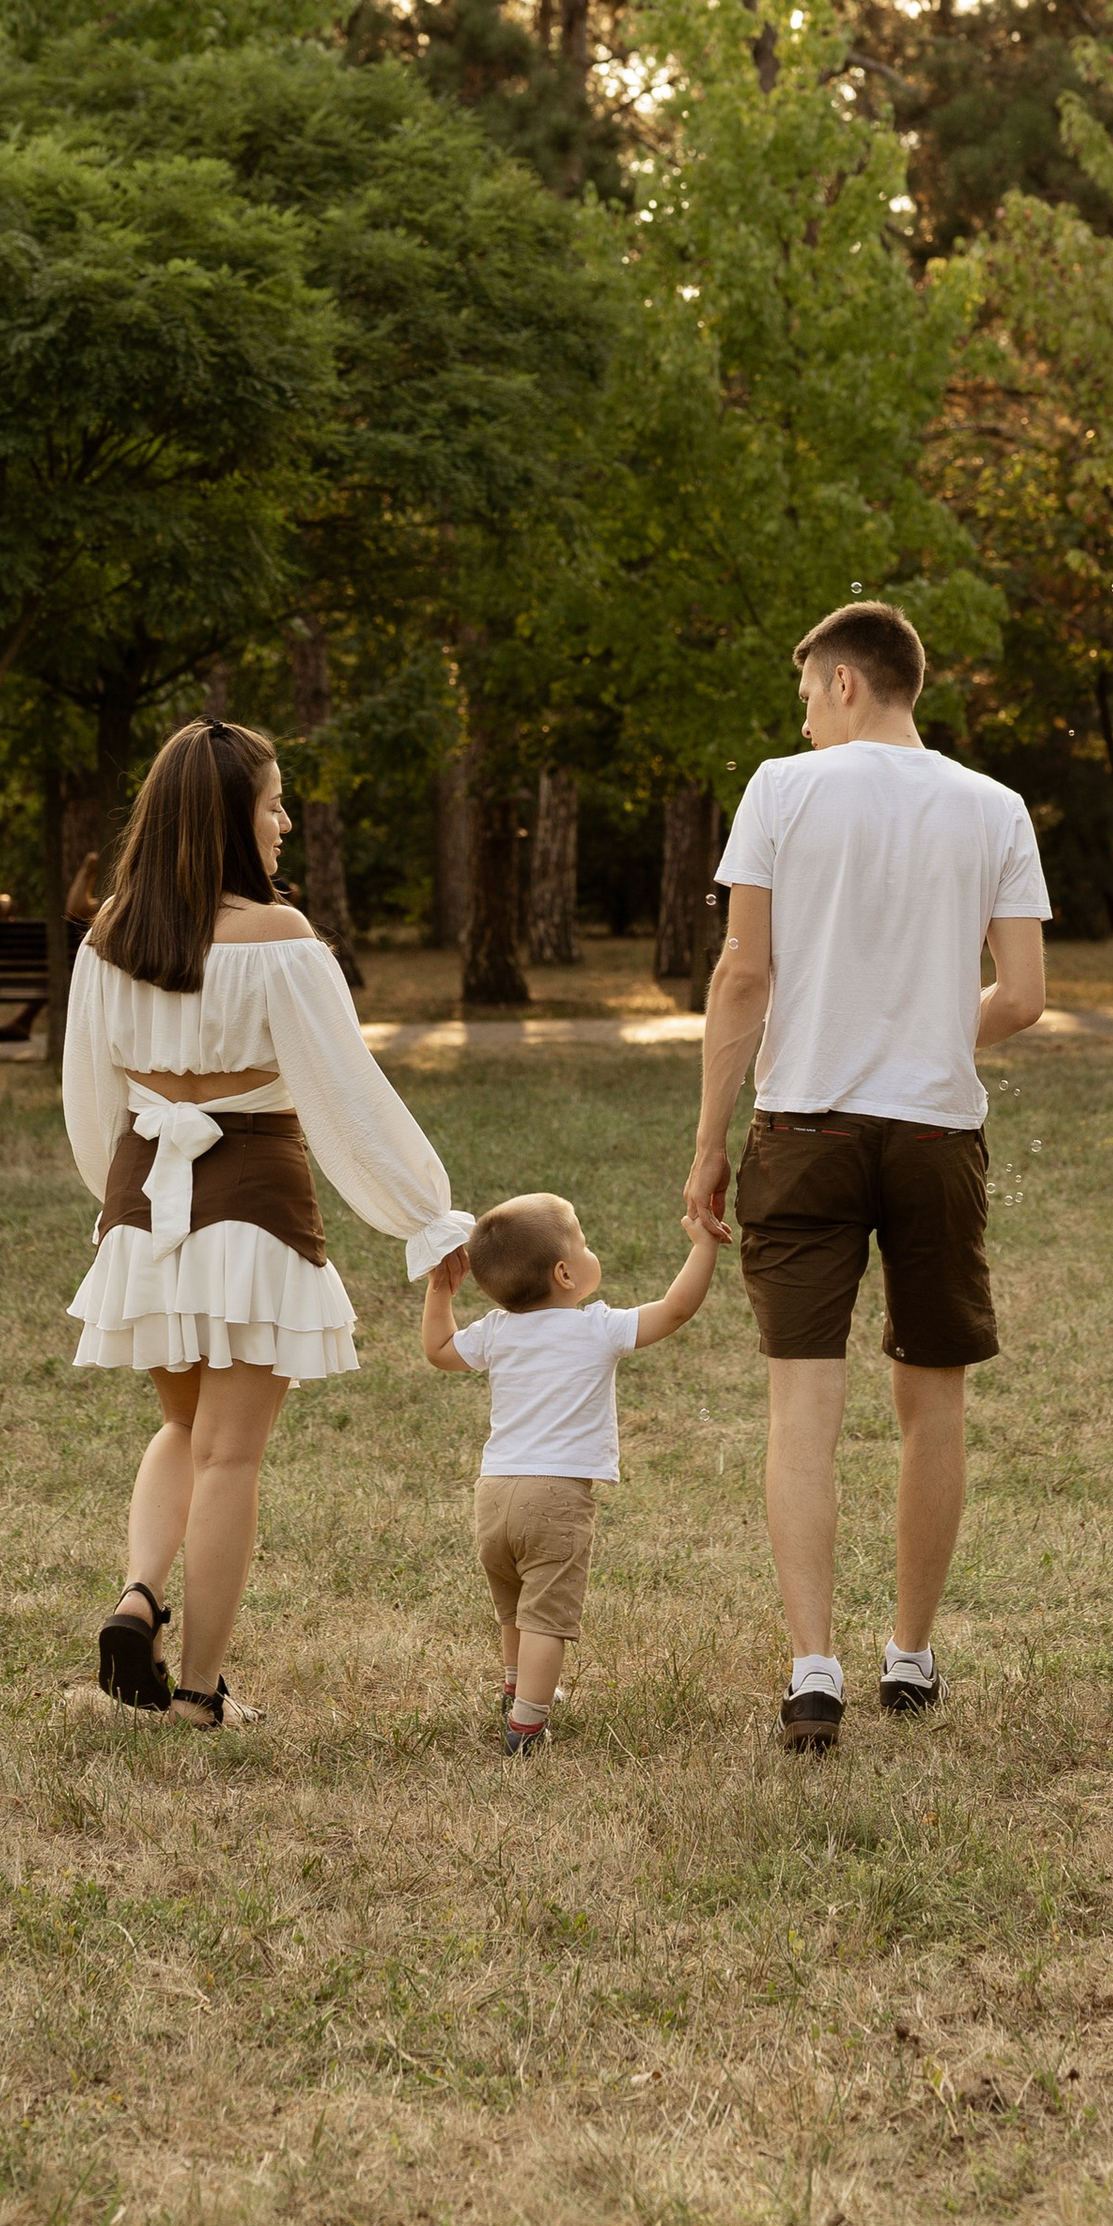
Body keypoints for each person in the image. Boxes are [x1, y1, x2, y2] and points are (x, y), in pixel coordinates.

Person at [685, 601, 1049, 1754]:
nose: (801, 718)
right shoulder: (994, 806)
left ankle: (811, 1671)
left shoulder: (783, 789)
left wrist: (708, 1139)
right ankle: (910, 1655)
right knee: (929, 1399)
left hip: (803, 1130)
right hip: (938, 1133)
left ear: (844, 683)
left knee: (804, 1402)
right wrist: (932, 1034)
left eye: (804, 697)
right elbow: (1026, 994)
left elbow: (743, 973)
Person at [63, 716, 471, 1729]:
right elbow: (351, 1098)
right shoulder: (281, 942)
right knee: (230, 1454)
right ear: (227, 819)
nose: (284, 820)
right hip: (252, 1204)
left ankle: (138, 1592)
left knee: (181, 1425)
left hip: (142, 1202)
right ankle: (198, 1692)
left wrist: (113, 1213)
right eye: (273, 801)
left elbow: (87, 1101)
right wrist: (427, 1215)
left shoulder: (109, 936)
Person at [422, 1191, 719, 1754]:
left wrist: (440, 1290)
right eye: (582, 1241)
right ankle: (528, 1725)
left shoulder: (494, 1331)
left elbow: (438, 1349)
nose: (588, 1248)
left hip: (493, 1494)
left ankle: (515, 1690)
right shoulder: (596, 1328)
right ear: (564, 1273)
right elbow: (676, 1308)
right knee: (546, 1619)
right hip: (555, 1497)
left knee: (513, 1605)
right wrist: (703, 1247)